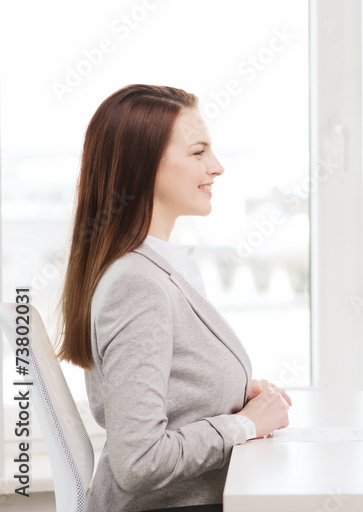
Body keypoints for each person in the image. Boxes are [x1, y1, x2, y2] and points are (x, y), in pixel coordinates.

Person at [57, 84, 292, 512]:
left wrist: (235, 400)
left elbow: (171, 395)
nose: (216, 167)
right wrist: (242, 425)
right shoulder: (138, 284)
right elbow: (140, 462)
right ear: (142, 166)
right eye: (198, 152)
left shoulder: (156, 269)